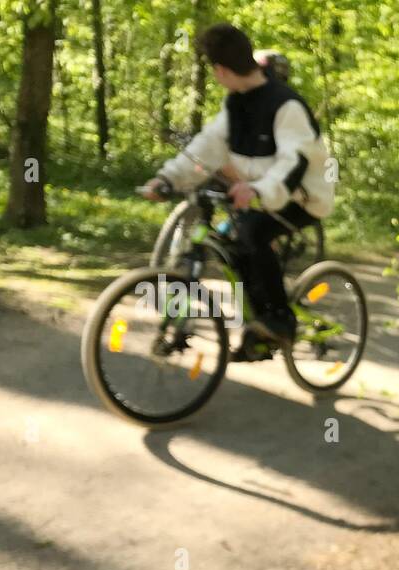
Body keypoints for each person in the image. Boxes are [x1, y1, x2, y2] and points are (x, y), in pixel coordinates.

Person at [143, 24, 333, 360]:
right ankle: (257, 330)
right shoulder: (236, 103)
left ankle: (279, 320)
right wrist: (168, 178)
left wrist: (257, 189)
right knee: (233, 246)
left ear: (221, 70)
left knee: (252, 232)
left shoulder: (286, 106)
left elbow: (293, 163)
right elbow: (207, 147)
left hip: (302, 198)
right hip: (264, 194)